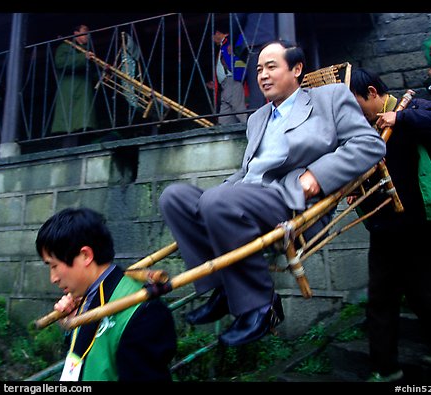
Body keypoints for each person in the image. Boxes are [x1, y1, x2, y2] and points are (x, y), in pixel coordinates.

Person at [158, 40, 386, 347]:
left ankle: (262, 306)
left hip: (292, 201)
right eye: (258, 69)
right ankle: (224, 288)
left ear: (296, 69)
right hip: (247, 197)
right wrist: (221, 191)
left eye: (271, 67)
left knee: (216, 201)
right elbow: (247, 171)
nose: (262, 75)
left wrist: (315, 177)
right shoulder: (257, 118)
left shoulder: (329, 98)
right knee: (174, 197)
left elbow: (369, 144)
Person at [349, 68, 431, 382]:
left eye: (353, 103)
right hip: (383, 225)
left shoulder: (411, 108)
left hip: (422, 220)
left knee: (427, 288)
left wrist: (403, 120)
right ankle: (385, 367)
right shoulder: (360, 130)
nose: (349, 113)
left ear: (371, 92)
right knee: (380, 295)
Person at [35, 207, 177, 381]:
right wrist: (73, 328)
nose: (53, 278)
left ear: (85, 256)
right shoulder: (87, 298)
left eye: (54, 266)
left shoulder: (144, 311)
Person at [51, 24, 99, 147]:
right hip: (71, 92)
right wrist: (83, 57)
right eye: (84, 32)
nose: (87, 36)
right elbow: (60, 62)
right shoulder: (65, 47)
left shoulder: (85, 50)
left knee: (83, 124)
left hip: (83, 92)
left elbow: (91, 73)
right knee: (71, 124)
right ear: (76, 33)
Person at [234, 13, 278, 110]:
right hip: (277, 42)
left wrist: (233, 41)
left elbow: (237, 20)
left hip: (256, 43)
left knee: (257, 90)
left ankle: (258, 122)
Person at [208, 26, 248, 125]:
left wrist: (238, 73)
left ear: (217, 33)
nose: (212, 41)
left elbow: (241, 57)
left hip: (232, 82)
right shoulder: (224, 45)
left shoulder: (231, 40)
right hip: (225, 85)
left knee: (241, 113)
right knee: (224, 120)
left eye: (212, 37)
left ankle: (253, 134)